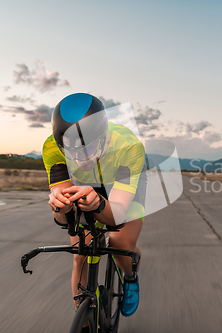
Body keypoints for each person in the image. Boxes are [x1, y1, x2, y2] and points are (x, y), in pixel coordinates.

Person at [42, 92, 146, 317]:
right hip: (84, 188)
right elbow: (62, 219)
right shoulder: (52, 147)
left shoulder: (129, 146)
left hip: (122, 187)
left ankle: (130, 277)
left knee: (119, 242)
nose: (81, 159)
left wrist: (99, 203)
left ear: (103, 136)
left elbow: (116, 215)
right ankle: (85, 321)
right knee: (81, 252)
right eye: (71, 152)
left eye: (88, 148)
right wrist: (60, 206)